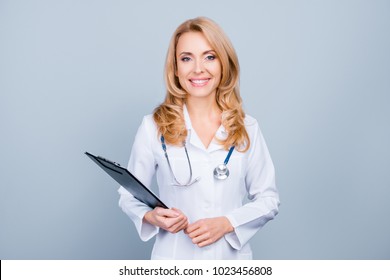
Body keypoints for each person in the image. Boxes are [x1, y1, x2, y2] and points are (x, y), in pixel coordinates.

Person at [118, 17, 280, 260]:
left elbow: (269, 199)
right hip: (173, 259)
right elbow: (128, 194)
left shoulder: (248, 128)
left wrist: (228, 223)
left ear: (224, 63)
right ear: (175, 68)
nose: (198, 69)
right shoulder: (153, 127)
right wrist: (150, 217)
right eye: (186, 58)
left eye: (209, 57)